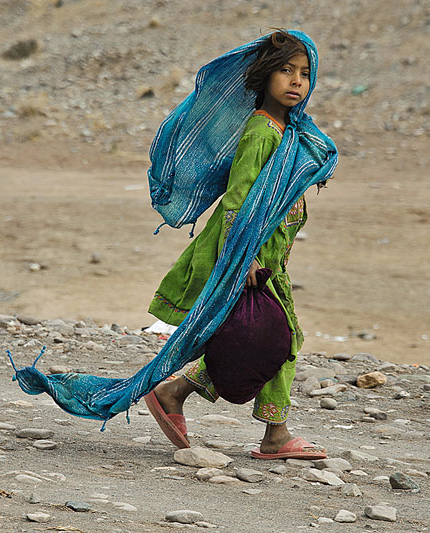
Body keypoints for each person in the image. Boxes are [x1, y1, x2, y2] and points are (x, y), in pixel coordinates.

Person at [144, 30, 328, 460]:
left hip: (267, 257)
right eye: (286, 70)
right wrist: (240, 256)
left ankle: (174, 392)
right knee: (283, 338)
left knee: (256, 339)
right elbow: (239, 200)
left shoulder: (288, 131)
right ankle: (275, 434)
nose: (296, 81)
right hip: (250, 256)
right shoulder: (262, 132)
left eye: (304, 73)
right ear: (265, 75)